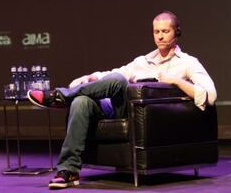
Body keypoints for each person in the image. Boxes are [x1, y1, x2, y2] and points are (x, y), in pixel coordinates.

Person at [27, 11, 217, 189]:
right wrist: (92, 77)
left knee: (118, 82)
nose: (160, 36)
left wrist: (175, 81)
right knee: (81, 102)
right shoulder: (143, 60)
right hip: (117, 107)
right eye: (156, 32)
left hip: (140, 114)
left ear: (177, 32)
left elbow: (210, 94)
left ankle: (61, 96)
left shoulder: (187, 62)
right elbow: (115, 74)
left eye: (165, 31)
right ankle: (69, 171)